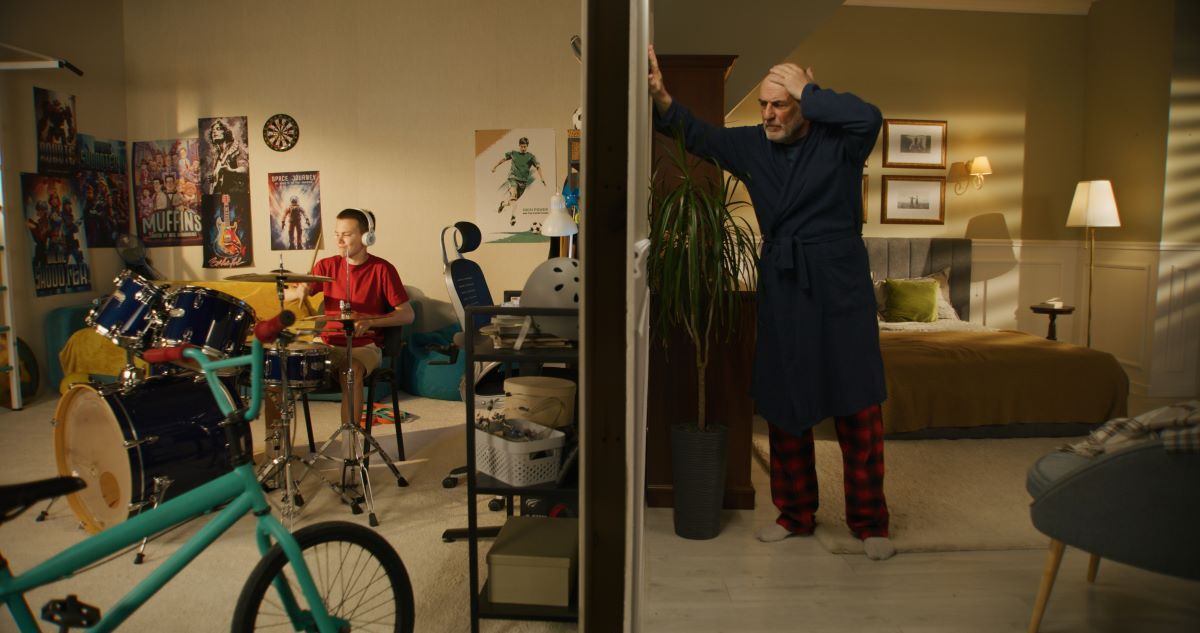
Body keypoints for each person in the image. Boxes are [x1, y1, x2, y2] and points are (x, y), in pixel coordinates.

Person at [648, 46, 895, 560]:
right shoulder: (753, 146)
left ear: (805, 103)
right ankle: (795, 514)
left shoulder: (842, 142)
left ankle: (870, 522)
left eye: (780, 104)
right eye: (764, 104)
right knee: (785, 404)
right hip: (785, 285)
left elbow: (870, 117)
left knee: (858, 407)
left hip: (840, 287)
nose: (768, 114)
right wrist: (662, 97)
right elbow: (699, 135)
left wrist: (809, 89)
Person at [284, 208, 414, 430]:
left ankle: (350, 439)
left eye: (346, 234)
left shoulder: (382, 269)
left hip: (364, 347)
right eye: (336, 234)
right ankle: (276, 445)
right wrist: (298, 291)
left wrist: (371, 322)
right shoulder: (326, 266)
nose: (339, 241)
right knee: (279, 368)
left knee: (350, 370)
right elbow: (289, 294)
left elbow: (407, 314)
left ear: (366, 237)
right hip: (327, 344)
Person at [491, 136, 546, 227]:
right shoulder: (514, 153)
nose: (523, 148)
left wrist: (542, 178)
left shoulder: (530, 157)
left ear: (527, 146)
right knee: (513, 196)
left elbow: (538, 166)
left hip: (523, 183)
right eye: (522, 146)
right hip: (513, 179)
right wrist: (495, 166)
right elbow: (503, 159)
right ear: (519, 146)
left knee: (513, 201)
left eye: (525, 146)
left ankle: (503, 204)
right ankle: (513, 217)